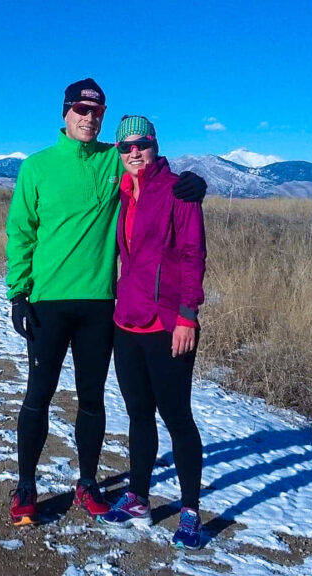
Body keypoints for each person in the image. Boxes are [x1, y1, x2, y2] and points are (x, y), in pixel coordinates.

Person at [5, 79, 207, 526]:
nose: (89, 118)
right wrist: (18, 292)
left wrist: (194, 182)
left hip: (100, 304)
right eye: (81, 110)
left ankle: (89, 483)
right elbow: (21, 232)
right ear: (64, 113)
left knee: (92, 399)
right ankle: (25, 487)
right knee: (38, 396)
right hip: (47, 302)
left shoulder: (112, 162)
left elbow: (153, 176)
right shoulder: (36, 168)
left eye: (97, 112)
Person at [97, 115, 207, 550]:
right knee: (138, 413)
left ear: (156, 145)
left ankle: (190, 511)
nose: (134, 153)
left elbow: (194, 254)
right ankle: (138, 497)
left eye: (142, 144)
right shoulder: (121, 189)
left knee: (177, 417)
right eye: (125, 148)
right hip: (127, 321)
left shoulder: (178, 189)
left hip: (167, 323)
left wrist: (187, 314)